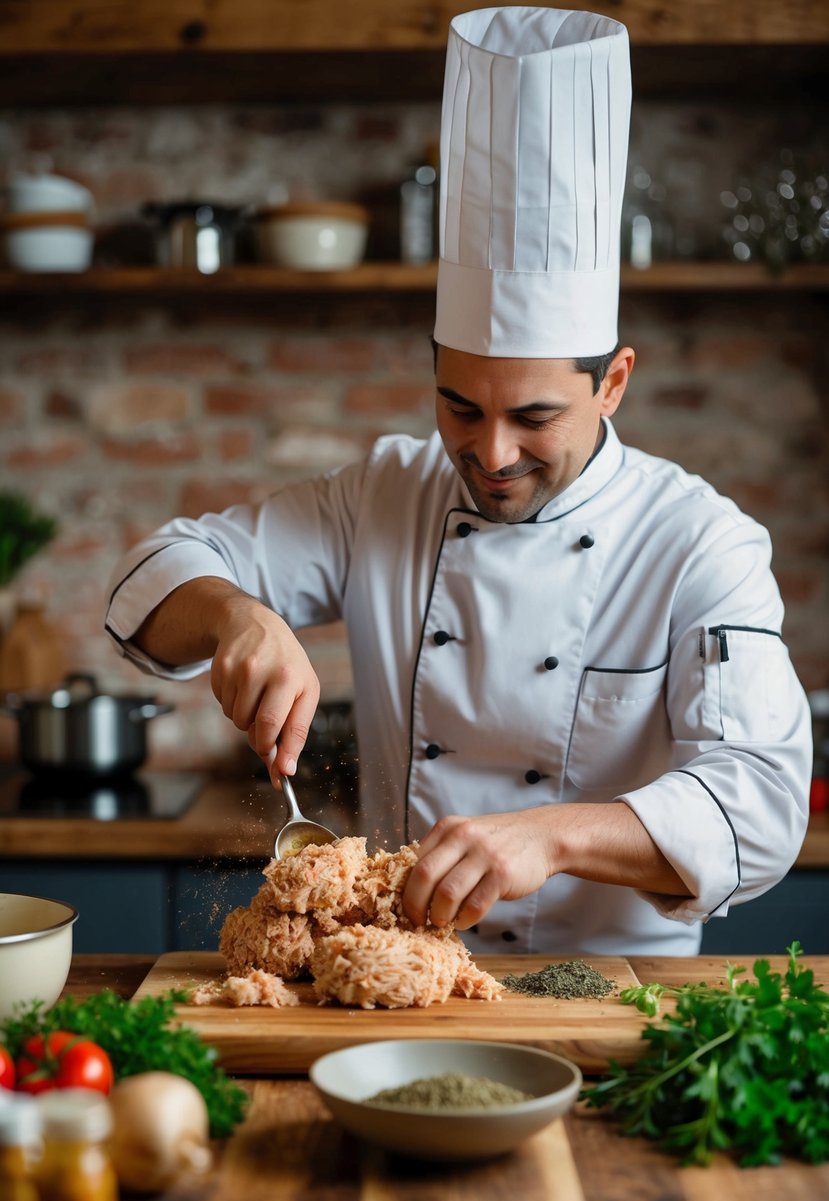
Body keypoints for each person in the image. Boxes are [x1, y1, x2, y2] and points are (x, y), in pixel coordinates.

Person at [105, 7, 812, 956]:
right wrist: (236, 615)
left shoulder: (695, 542)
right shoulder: (385, 493)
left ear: (612, 384)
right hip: (403, 977)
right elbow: (155, 573)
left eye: (534, 418)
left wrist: (555, 834)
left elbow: (762, 808)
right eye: (459, 407)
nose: (490, 453)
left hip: (613, 1000)